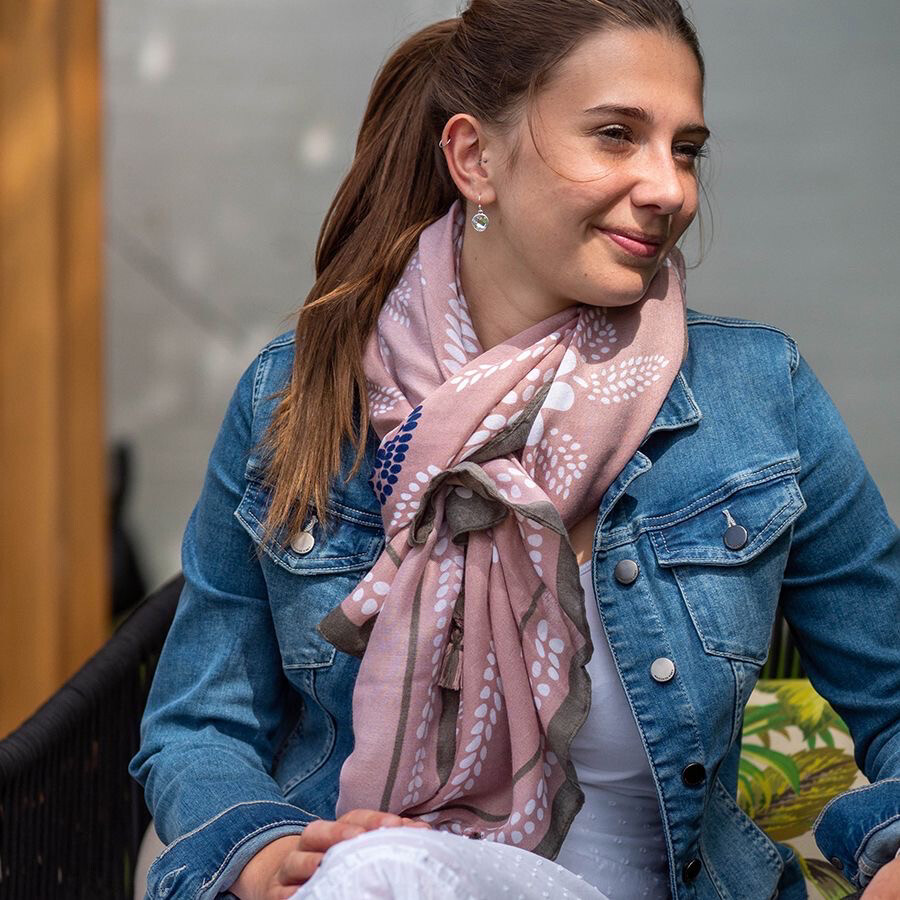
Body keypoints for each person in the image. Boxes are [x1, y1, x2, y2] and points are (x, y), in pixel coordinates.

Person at [128, 2, 900, 898]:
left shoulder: (758, 394)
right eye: (617, 135)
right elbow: (199, 724)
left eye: (685, 148)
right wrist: (258, 853)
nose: (671, 189)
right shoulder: (298, 397)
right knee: (382, 873)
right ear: (474, 159)